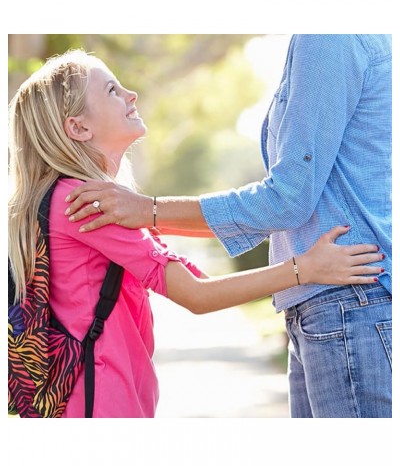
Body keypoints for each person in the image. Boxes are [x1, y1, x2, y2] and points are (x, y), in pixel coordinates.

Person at [8, 49, 382, 419]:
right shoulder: (84, 203)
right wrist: (304, 269)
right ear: (78, 127)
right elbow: (198, 294)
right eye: (111, 91)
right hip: (103, 401)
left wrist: (150, 211)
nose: (130, 94)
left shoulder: (72, 199)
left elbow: (192, 277)